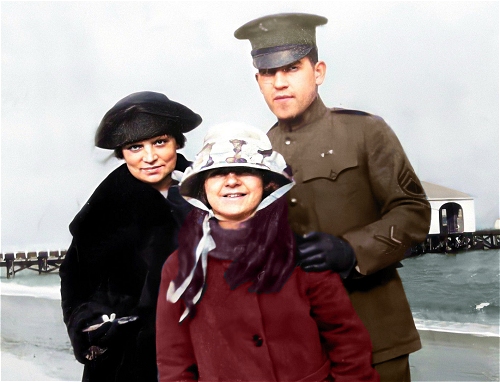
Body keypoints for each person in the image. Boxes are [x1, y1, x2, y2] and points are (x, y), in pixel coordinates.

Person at [234, 13, 431, 381]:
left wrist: (351, 251)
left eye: (292, 68)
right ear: (257, 81)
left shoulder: (365, 131)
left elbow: (413, 211)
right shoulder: (258, 154)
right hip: (300, 343)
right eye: (267, 74)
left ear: (318, 71)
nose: (279, 83)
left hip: (375, 333)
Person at [156, 122, 379, 382]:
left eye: (245, 170)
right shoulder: (179, 266)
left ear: (267, 184)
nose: (231, 181)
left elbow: (348, 343)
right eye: (218, 173)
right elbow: (174, 361)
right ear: (202, 188)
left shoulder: (302, 254)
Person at [59, 91, 202, 382]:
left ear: (177, 140)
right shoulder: (104, 207)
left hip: (200, 345)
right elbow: (75, 280)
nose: (149, 157)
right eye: (135, 147)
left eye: (160, 142)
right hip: (129, 354)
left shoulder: (212, 188)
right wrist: (87, 322)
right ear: (122, 153)